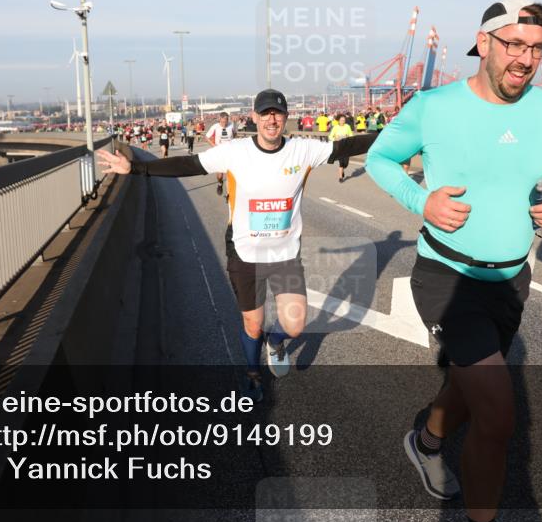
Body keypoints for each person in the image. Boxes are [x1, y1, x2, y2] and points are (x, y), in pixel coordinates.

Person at [367, 0, 542, 522]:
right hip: (448, 276)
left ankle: (427, 441)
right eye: (514, 45)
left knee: (466, 383)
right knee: (498, 415)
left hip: (512, 279)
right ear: (484, 43)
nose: (525, 60)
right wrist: (423, 201)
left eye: (536, 48)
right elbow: (379, 158)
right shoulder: (434, 106)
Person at [97, 89, 375, 402]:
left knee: (295, 326)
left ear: (285, 118)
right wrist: (136, 168)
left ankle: (277, 340)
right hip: (245, 253)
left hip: (284, 253)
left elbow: (347, 145)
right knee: (252, 324)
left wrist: (395, 134)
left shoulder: (303, 150)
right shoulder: (235, 152)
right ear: (255, 117)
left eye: (277, 113)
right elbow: (188, 165)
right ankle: (252, 373)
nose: (272, 119)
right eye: (265, 113)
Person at [205, 112, 236, 196]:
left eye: (225, 122)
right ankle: (220, 183)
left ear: (227, 120)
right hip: (219, 152)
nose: (224, 124)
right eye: (222, 122)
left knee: (230, 173)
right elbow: (206, 137)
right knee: (220, 175)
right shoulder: (215, 127)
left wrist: (232, 142)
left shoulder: (231, 125)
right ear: (220, 119)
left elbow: (235, 133)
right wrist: (214, 146)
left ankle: (229, 193)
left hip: (230, 152)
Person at [328, 114, 356, 182]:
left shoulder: (347, 126)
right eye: (341, 120)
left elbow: (351, 135)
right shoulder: (335, 127)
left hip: (346, 146)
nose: (343, 121)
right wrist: (335, 139)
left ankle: (343, 170)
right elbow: (330, 136)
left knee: (345, 163)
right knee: (341, 162)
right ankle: (340, 177)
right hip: (339, 147)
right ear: (338, 121)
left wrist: (349, 138)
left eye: (344, 120)